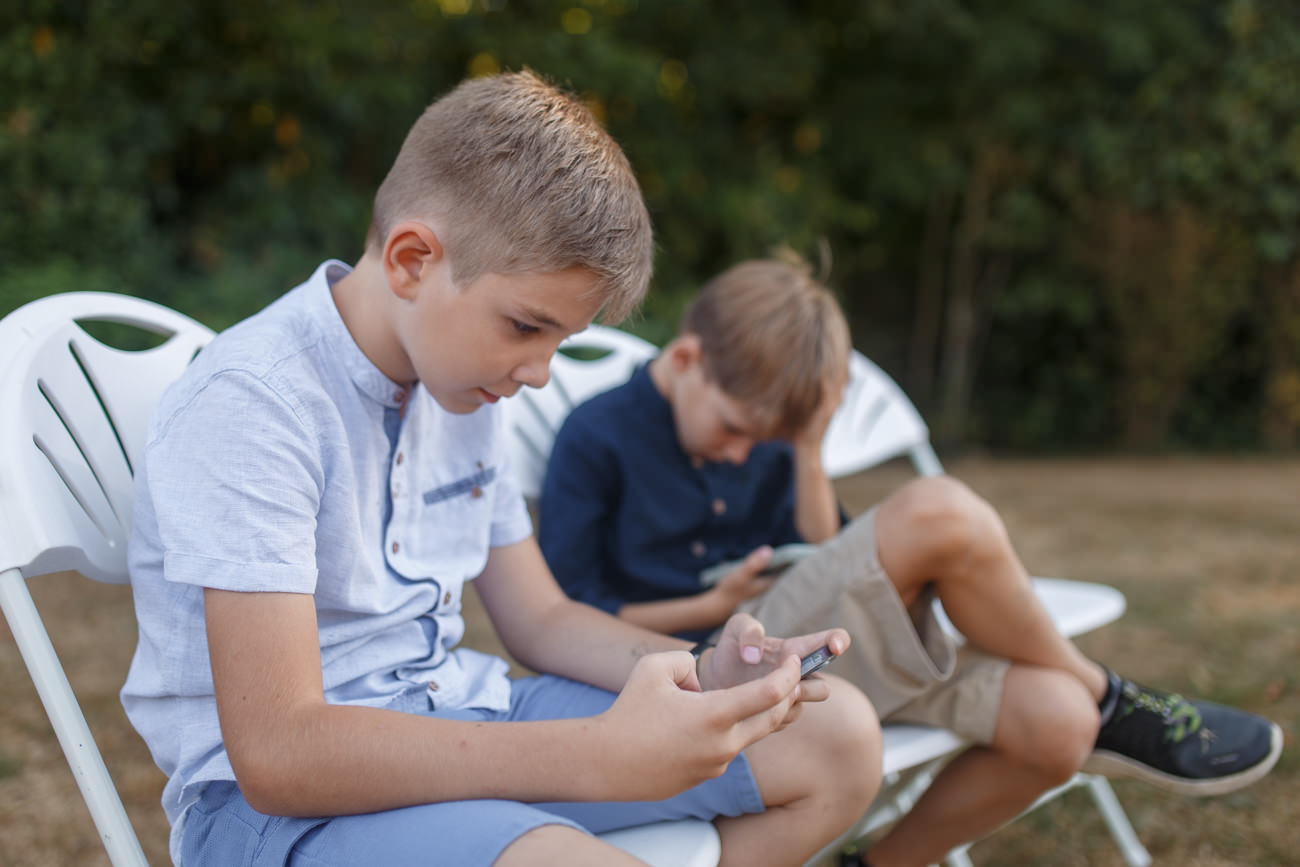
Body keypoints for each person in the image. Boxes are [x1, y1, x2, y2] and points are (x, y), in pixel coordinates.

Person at [120, 74, 884, 867]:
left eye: (558, 340)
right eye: (527, 326)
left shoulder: (463, 387)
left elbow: (543, 620)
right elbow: (281, 754)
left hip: (463, 713)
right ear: (413, 260)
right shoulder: (257, 401)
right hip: (283, 808)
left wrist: (705, 671)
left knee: (840, 740)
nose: (540, 373)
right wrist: (595, 754)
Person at [538, 256, 1285, 867]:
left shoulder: (764, 433)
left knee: (1057, 724)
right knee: (940, 512)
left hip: (818, 645)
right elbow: (573, 618)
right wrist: (711, 606)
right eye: (734, 429)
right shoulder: (597, 437)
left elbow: (827, 547)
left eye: (757, 438)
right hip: (703, 661)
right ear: (689, 355)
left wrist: (802, 447)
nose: (740, 452)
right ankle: (1110, 695)